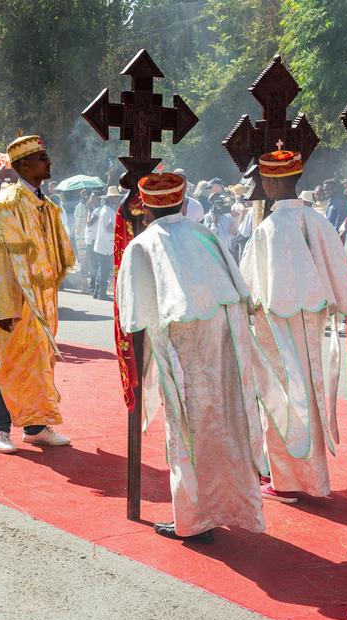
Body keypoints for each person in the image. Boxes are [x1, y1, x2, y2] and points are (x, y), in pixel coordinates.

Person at [117, 172, 268, 543]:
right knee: (227, 420)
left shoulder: (143, 244)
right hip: (225, 337)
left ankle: (195, 519)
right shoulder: (207, 234)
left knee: (187, 428)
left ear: (146, 206)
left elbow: (132, 317)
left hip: (182, 346)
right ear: (183, 202)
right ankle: (233, 507)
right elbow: (240, 291)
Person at [240, 147, 347, 502]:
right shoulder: (319, 221)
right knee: (309, 392)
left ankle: (285, 481)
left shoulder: (270, 229)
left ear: (271, 184)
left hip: (276, 325)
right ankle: (311, 478)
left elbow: (251, 289)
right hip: (310, 322)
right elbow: (339, 273)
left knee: (279, 396)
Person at [0, 135, 75, 453]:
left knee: (39, 362)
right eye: (41, 157)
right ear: (22, 165)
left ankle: (35, 426)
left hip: (44, 303)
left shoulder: (47, 207)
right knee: (10, 362)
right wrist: (3, 307)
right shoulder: (6, 203)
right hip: (16, 302)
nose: (48, 162)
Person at [88, 187, 117, 300]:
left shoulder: (107, 210)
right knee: (104, 270)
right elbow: (109, 228)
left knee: (102, 269)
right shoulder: (107, 211)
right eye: (115, 197)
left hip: (105, 245)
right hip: (105, 245)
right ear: (110, 198)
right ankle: (101, 293)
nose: (116, 199)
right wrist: (118, 230)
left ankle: (97, 292)